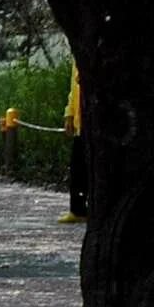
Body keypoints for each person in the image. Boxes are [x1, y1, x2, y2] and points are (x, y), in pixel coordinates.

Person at [62, 64, 88, 223]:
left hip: (96, 122)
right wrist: (69, 114)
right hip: (81, 121)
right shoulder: (79, 52)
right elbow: (74, 87)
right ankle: (77, 209)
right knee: (77, 167)